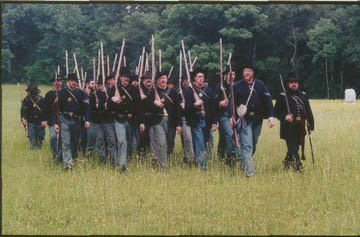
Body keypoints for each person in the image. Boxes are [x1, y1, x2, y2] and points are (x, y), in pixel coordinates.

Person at [229, 64, 275, 177]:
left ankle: (244, 164)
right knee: (247, 145)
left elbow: (268, 100)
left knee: (253, 144)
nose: (247, 73)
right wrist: (231, 116)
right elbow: (231, 103)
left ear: (253, 72)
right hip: (244, 120)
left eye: (249, 71)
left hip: (257, 119)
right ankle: (250, 172)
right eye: (245, 71)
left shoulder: (260, 84)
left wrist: (271, 116)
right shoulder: (236, 86)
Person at [274, 74, 314, 171]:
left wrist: (311, 125)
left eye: (295, 82)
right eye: (291, 82)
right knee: (293, 147)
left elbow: (308, 111)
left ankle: (286, 163)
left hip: (300, 126)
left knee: (295, 147)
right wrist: (285, 116)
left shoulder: (303, 95)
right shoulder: (282, 96)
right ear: (288, 84)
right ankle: (299, 168)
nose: (294, 84)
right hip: (288, 126)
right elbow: (276, 111)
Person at [54, 73, 91, 170]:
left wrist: (87, 120)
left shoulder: (81, 93)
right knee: (66, 142)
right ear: (68, 81)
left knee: (75, 142)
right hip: (64, 119)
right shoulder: (61, 92)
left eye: (75, 81)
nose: (73, 83)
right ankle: (67, 164)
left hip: (76, 120)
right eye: (71, 81)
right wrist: (56, 123)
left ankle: (73, 159)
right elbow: (56, 109)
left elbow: (87, 108)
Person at [109, 68, 142, 172]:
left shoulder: (134, 89)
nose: (126, 78)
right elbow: (108, 106)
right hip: (120, 119)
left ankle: (127, 160)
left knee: (132, 144)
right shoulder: (114, 89)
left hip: (131, 120)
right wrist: (113, 100)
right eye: (124, 76)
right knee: (122, 141)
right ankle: (122, 165)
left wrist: (141, 122)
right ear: (120, 77)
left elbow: (139, 107)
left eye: (128, 77)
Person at [185, 70, 217, 170]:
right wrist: (195, 104)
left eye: (202, 77)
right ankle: (202, 166)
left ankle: (206, 162)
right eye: (199, 77)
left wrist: (214, 122)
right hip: (196, 120)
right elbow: (187, 108)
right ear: (194, 78)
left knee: (208, 142)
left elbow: (213, 108)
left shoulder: (209, 91)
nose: (201, 79)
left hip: (207, 120)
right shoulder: (189, 91)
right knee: (199, 142)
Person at [215, 66, 240, 166]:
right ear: (225, 75)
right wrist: (220, 103)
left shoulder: (238, 87)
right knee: (230, 135)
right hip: (224, 115)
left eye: (233, 74)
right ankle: (230, 158)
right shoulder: (220, 87)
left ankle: (226, 157)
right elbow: (214, 102)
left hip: (236, 115)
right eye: (230, 74)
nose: (232, 76)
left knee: (226, 137)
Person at [89, 79, 117, 165]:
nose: (101, 86)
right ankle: (102, 160)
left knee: (111, 141)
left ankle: (113, 161)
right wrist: (101, 106)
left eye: (102, 84)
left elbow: (110, 106)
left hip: (108, 120)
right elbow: (92, 106)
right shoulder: (94, 94)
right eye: (99, 84)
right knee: (100, 141)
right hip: (98, 120)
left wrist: (101, 106)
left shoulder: (109, 93)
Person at [20, 84, 47, 149]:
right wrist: (23, 119)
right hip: (31, 121)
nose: (33, 95)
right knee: (32, 137)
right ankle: (33, 149)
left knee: (40, 136)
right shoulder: (26, 100)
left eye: (34, 94)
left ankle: (40, 145)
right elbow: (23, 111)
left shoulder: (43, 100)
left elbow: (46, 111)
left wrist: (45, 120)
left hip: (40, 121)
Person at [44, 75, 63, 163]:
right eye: (56, 81)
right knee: (53, 137)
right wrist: (46, 119)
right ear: (53, 83)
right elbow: (46, 108)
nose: (58, 83)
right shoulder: (49, 94)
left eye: (59, 81)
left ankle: (61, 156)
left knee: (63, 139)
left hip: (63, 119)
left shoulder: (64, 92)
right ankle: (55, 154)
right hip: (52, 120)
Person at [178, 77, 195, 164]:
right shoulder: (179, 92)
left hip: (194, 118)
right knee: (187, 138)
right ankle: (189, 159)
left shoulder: (193, 91)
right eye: (185, 81)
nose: (186, 83)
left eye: (188, 81)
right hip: (184, 119)